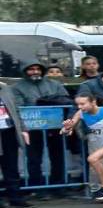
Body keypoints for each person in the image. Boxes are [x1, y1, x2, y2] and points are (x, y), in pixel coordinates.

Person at [12, 61, 72, 196]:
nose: (35, 72)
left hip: (55, 126)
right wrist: (45, 103)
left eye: (38, 69)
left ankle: (59, 185)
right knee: (34, 159)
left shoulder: (54, 84)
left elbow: (65, 99)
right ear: (25, 71)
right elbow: (18, 105)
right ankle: (37, 187)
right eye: (31, 69)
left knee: (58, 157)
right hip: (32, 127)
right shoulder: (17, 87)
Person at [0, 80, 33, 208]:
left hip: (9, 131)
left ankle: (15, 197)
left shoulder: (5, 89)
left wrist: (23, 129)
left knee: (11, 166)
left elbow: (16, 111)